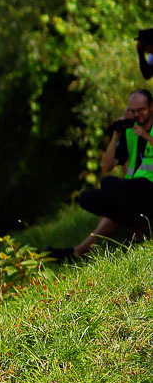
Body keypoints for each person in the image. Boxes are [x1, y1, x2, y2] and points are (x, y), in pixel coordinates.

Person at [51, 88, 153, 260]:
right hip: (134, 194)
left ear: (151, 106)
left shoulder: (144, 131)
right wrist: (116, 134)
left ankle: (76, 252)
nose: (137, 115)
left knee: (108, 184)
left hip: (149, 191)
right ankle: (137, 225)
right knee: (87, 197)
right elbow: (106, 166)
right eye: (132, 111)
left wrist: (145, 136)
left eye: (140, 110)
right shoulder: (130, 132)